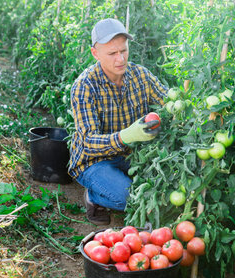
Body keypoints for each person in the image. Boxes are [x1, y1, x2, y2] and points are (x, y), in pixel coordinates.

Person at [68, 18, 168, 225]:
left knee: (163, 191)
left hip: (133, 156)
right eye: (112, 53)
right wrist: (126, 136)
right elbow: (88, 142)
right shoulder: (84, 86)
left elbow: (169, 104)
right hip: (93, 162)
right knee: (133, 198)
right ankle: (94, 197)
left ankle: (113, 185)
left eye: (123, 50)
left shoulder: (141, 76)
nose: (120, 59)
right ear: (95, 54)